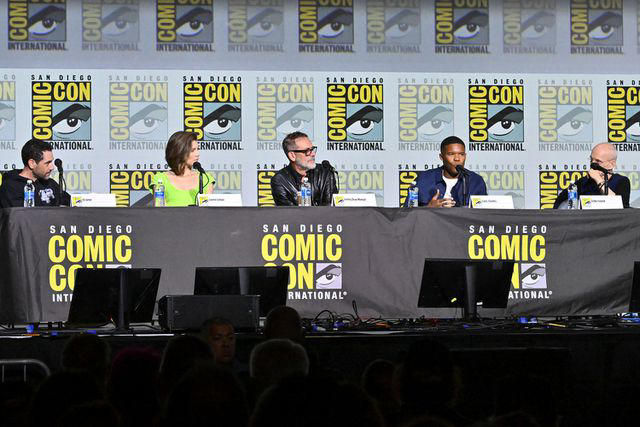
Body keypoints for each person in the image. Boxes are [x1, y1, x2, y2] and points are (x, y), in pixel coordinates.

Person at [414, 136, 487, 207]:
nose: (457, 159)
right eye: (451, 154)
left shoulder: (476, 181)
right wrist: (428, 208)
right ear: (441, 157)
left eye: (461, 154)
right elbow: (407, 213)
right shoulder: (424, 179)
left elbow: (484, 215)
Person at [553, 142, 630, 208]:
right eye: (591, 160)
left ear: (611, 164)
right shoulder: (583, 182)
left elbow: (621, 208)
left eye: (598, 161)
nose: (592, 164)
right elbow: (559, 203)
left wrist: (599, 180)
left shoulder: (622, 181)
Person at [270, 131, 337, 206]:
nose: (313, 154)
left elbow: (330, 209)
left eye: (312, 149)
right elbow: (288, 213)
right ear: (292, 156)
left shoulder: (325, 173)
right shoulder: (280, 180)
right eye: (307, 151)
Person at [150, 131, 214, 206]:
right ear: (179, 151)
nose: (197, 154)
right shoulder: (161, 179)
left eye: (198, 149)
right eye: (192, 150)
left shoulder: (205, 179)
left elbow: (208, 213)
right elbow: (159, 210)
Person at [0, 138, 70, 208]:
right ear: (32, 163)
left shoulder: (51, 184)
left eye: (51, 162)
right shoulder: (10, 188)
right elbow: (19, 216)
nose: (52, 167)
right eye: (47, 163)